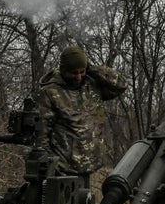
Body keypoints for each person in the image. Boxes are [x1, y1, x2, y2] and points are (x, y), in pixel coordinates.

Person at [36, 45, 127, 183]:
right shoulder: (51, 92)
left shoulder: (92, 85)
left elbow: (121, 84)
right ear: (63, 70)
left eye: (82, 71)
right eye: (74, 73)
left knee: (85, 203)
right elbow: (42, 133)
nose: (78, 77)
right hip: (63, 169)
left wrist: (91, 68)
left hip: (89, 165)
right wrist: (50, 167)